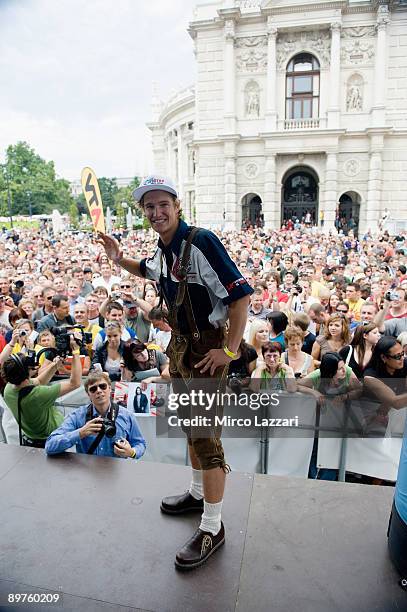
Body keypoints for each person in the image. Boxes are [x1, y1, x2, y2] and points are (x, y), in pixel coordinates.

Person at [98, 174, 252, 570]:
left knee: (206, 440)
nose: (156, 212)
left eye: (162, 204)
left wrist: (230, 350)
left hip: (205, 350)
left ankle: (212, 527)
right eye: (149, 206)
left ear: (177, 205)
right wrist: (118, 258)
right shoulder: (165, 249)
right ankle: (199, 493)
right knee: (191, 429)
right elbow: (148, 270)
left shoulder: (200, 242)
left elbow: (241, 297)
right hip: (182, 346)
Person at [2, 336, 82, 447]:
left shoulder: (9, 389)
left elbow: (39, 380)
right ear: (26, 377)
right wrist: (76, 352)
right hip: (51, 440)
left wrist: (55, 365)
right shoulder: (37, 395)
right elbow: (75, 383)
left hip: (31, 439)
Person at [45, 372, 146, 459]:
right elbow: (50, 445)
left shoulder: (127, 416)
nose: (98, 391)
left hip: (116, 473)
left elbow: (140, 444)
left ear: (110, 388)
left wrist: (132, 452)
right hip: (87, 473)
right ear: (88, 394)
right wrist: (80, 433)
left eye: (103, 386)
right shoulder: (77, 416)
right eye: (93, 389)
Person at [298, 352, 362, 480]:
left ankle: (328, 481)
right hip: (319, 421)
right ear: (330, 371)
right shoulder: (317, 375)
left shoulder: (348, 371)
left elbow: (360, 390)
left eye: (343, 366)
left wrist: (345, 396)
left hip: (339, 421)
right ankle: (312, 478)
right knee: (316, 449)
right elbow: (295, 385)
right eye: (340, 369)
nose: (344, 370)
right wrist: (314, 392)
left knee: (333, 451)